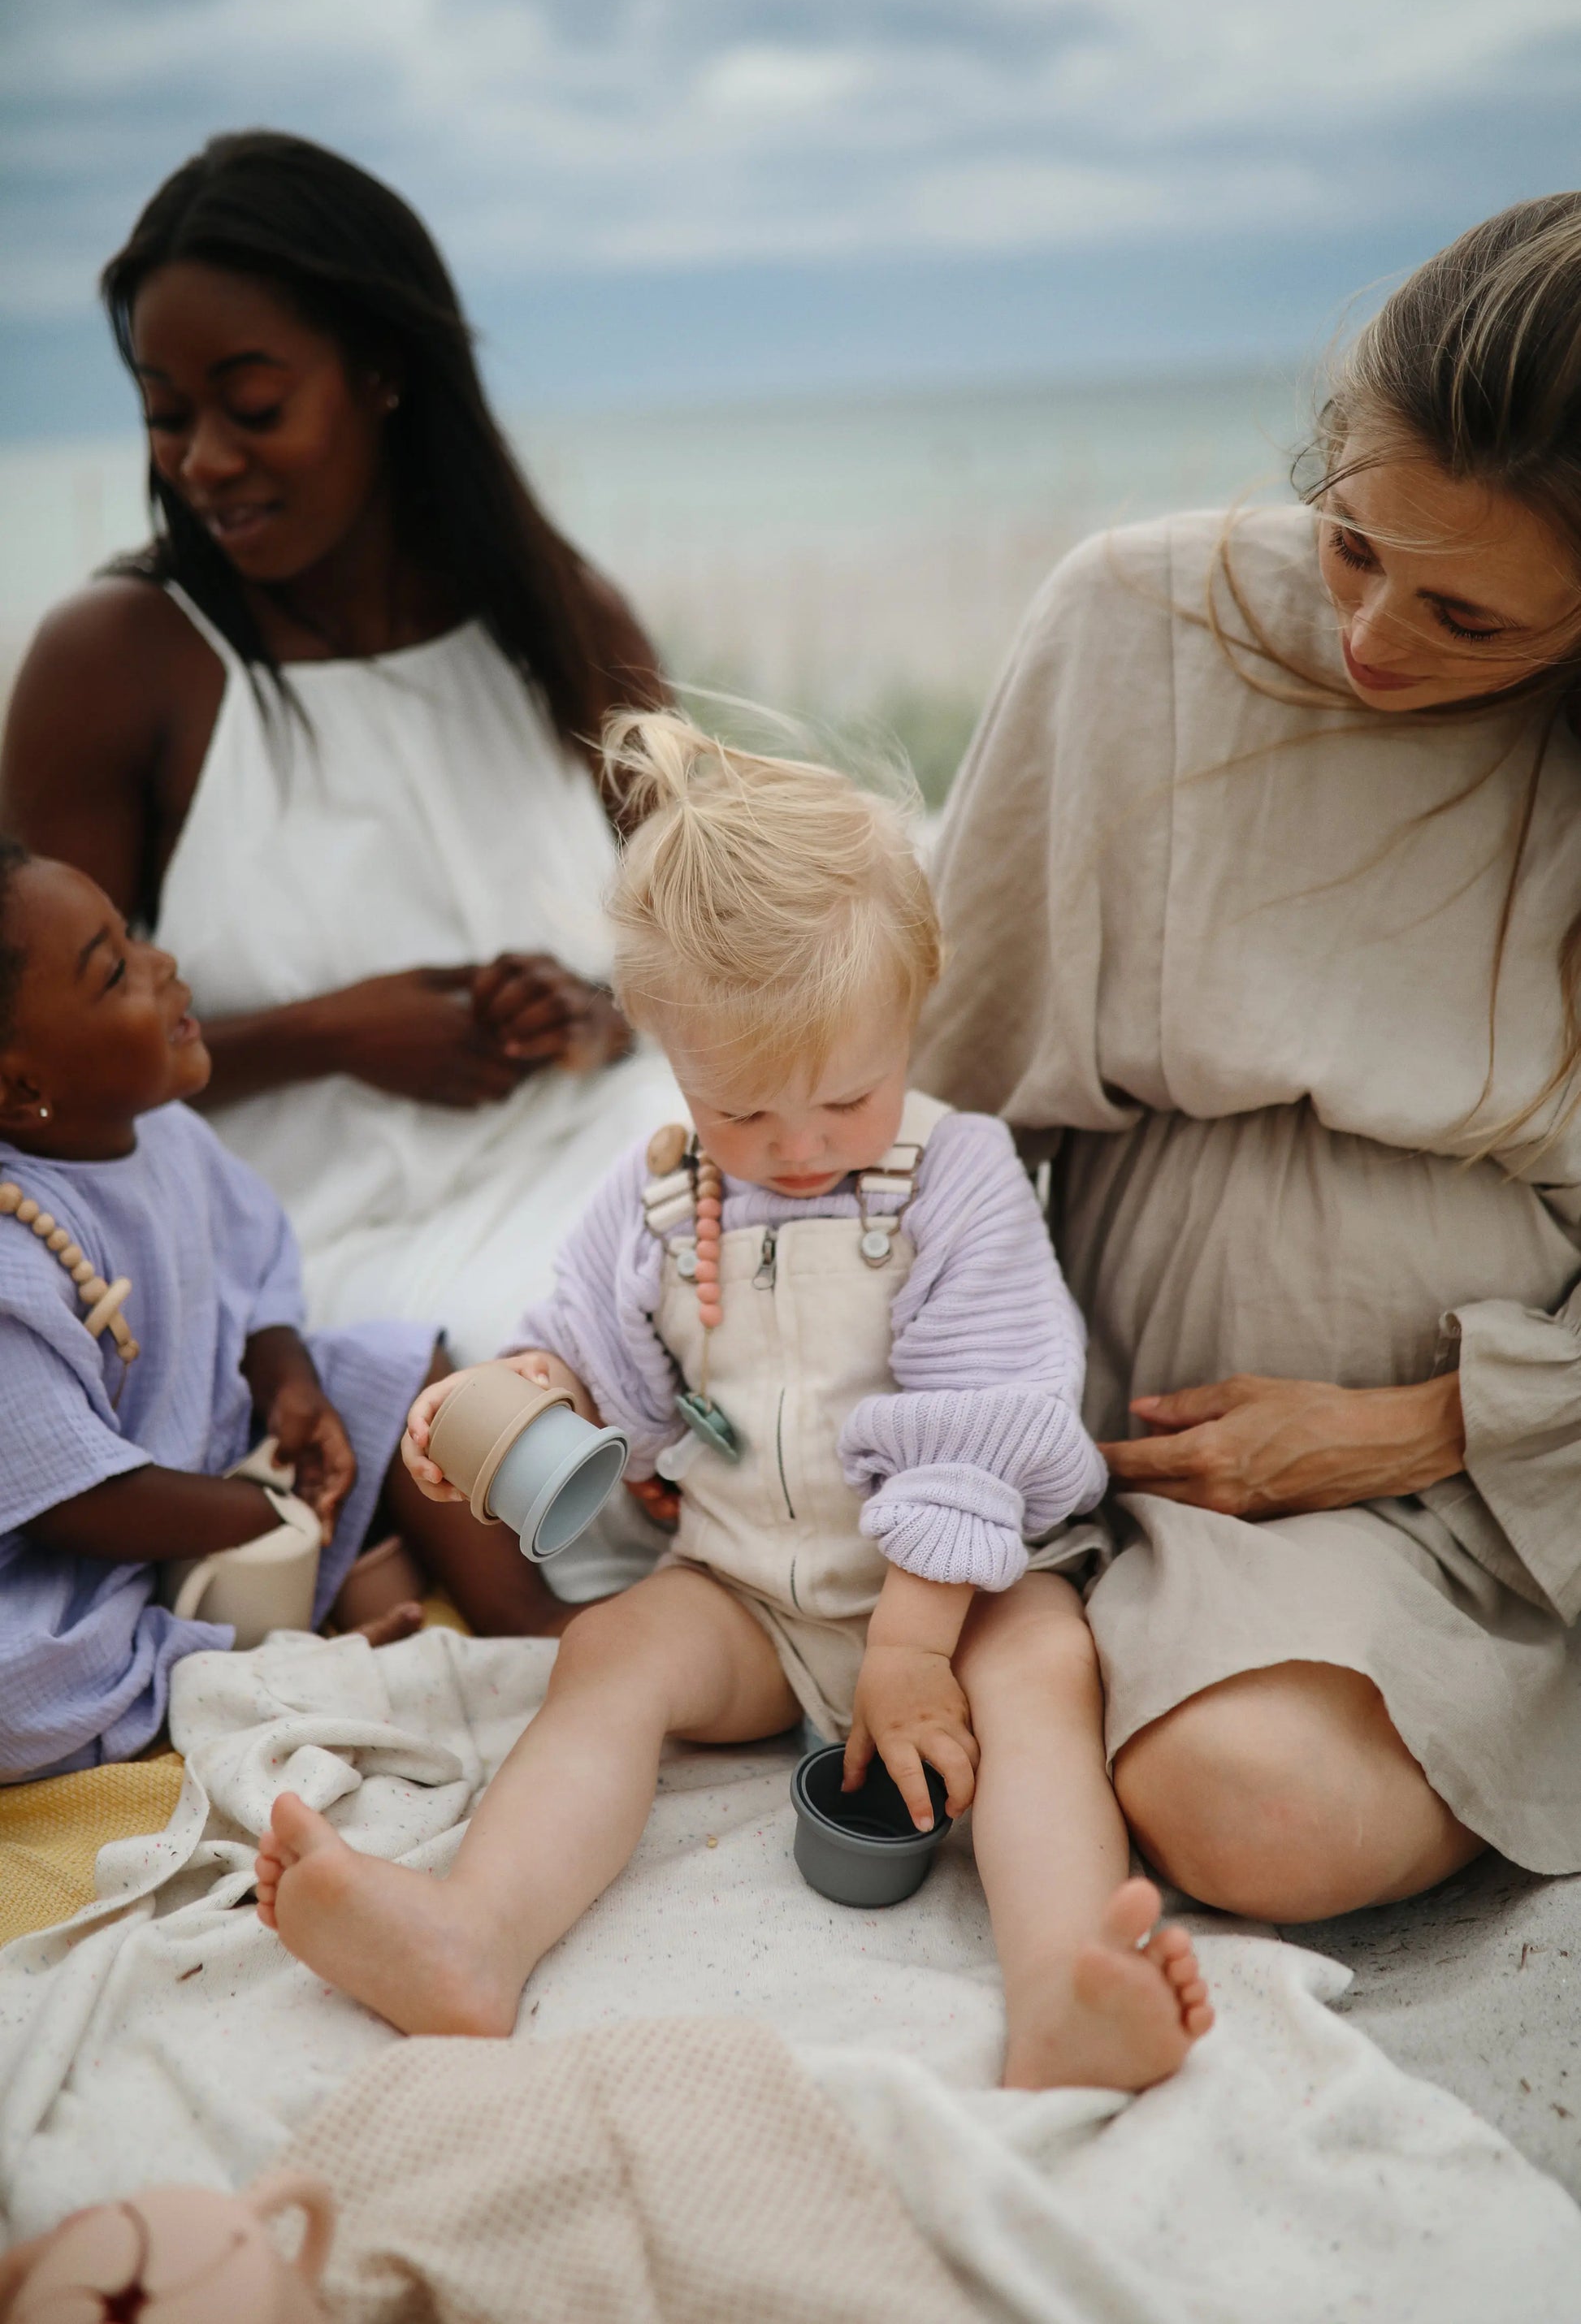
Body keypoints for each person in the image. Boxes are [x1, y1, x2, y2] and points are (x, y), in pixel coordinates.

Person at [253, 713, 1215, 2090]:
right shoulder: (653, 1192)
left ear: (915, 1009)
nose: (802, 1144)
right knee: (612, 1652)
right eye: (743, 1109)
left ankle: (1068, 1983)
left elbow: (982, 1418)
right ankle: (473, 1933)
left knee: (1043, 1676)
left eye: (844, 1094)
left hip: (961, 1581)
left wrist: (911, 1644)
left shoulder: (956, 1177)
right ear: (669, 1059)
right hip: (750, 1589)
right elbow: (581, 1350)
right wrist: (514, 1396)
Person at [913, 193, 1581, 1921]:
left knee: (1257, 1811)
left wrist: (1423, 1427)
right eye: (1353, 546)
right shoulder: (1134, 625)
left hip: (1503, 1470)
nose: (1371, 640)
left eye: (1470, 624)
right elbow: (930, 1087)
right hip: (1094, 1405)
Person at [0, 131, 683, 1444]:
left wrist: (591, 1016)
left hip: (613, 1154)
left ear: (381, 374)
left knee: (844, 1244)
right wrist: (336, 1036)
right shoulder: (119, 664)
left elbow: (719, 960)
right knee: (553, 1381)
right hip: (306, 1257)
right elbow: (29, 1078)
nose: (201, 459)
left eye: (250, 406)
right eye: (165, 411)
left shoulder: (557, 619)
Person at [0, 842, 568, 1785]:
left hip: (229, 1444)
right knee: (22, 1688)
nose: (162, 965)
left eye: (132, 938)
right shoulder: (15, 1253)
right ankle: (276, 1674)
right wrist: (253, 1512)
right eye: (114, 974)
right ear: (20, 1087)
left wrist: (290, 1383)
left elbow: (251, 1271)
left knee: (397, 1366)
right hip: (100, 1553)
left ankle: (534, 1615)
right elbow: (72, 1497)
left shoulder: (167, 1133)